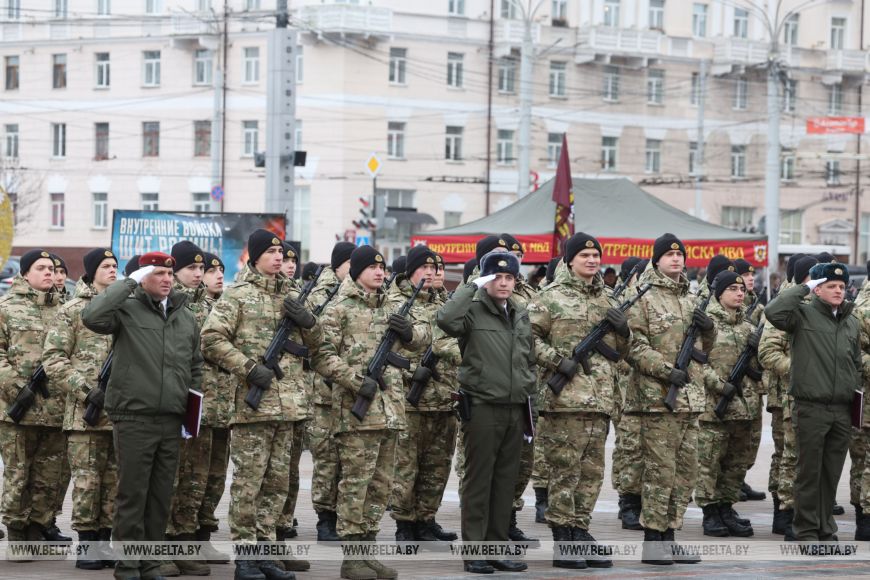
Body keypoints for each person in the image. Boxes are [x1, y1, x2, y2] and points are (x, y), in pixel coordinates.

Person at [201, 230, 319, 580]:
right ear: (254, 257)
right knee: (249, 484)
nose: (278, 257)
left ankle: (267, 552)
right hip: (253, 408)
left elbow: (319, 344)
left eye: (281, 251)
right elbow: (210, 339)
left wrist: (309, 322)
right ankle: (246, 557)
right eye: (270, 252)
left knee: (277, 484)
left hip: (290, 406)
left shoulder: (294, 295)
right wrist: (249, 368)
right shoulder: (237, 295)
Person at [81, 251, 203, 580]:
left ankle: (150, 564)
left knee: (161, 497)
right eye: (158, 273)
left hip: (170, 419)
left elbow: (195, 366)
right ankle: (128, 566)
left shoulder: (184, 316)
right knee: (133, 495)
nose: (166, 279)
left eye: (169, 273)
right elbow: (91, 317)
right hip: (134, 417)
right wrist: (129, 282)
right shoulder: (126, 309)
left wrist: (191, 411)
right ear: (141, 277)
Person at [313, 245, 430, 580]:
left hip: (390, 410)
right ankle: (352, 558)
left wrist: (409, 333)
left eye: (382, 268)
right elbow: (321, 355)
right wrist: (354, 381)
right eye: (372, 268)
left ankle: (368, 551)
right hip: (356, 414)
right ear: (357, 272)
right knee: (355, 484)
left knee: (381, 486)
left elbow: (423, 339)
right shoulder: (338, 309)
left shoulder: (393, 306)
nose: (380, 273)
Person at [528, 233, 628, 569]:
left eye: (596, 255)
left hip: (599, 401)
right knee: (565, 472)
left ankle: (580, 531)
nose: (592, 260)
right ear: (569, 260)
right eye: (585, 255)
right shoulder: (549, 297)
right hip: (564, 401)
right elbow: (527, 339)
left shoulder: (609, 299)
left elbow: (621, 353)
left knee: (591, 474)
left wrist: (625, 331)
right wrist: (558, 361)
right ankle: (563, 539)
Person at [437, 251, 535, 575]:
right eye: (496, 277)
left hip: (515, 408)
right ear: (485, 279)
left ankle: (496, 548)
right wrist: (472, 285)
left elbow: (527, 359)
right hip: (482, 407)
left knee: (505, 484)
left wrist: (529, 400)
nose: (503, 283)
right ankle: (475, 552)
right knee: (479, 482)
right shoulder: (472, 310)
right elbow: (445, 320)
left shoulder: (519, 312)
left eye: (509, 277)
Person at [626, 233, 715, 565]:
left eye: (680, 255)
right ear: (656, 260)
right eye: (669, 255)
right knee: (659, 473)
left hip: (690, 400)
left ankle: (670, 535)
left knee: (685, 473)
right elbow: (633, 346)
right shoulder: (643, 296)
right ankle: (653, 539)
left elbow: (705, 351)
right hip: (657, 400)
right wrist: (666, 371)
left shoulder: (690, 299)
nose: (676, 259)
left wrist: (710, 330)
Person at [765, 262, 861, 542]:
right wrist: (805, 286)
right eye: (831, 286)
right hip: (811, 407)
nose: (838, 291)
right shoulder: (802, 315)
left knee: (831, 473)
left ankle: (825, 527)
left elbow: (855, 363)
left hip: (842, 409)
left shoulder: (851, 321)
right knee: (808, 472)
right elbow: (773, 311)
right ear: (817, 289)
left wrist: (854, 398)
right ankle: (806, 529)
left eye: (842, 286)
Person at [43, 248, 119, 570]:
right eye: (106, 266)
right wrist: (87, 392)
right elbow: (53, 359)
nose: (112, 270)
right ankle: (87, 545)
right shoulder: (73, 310)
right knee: (88, 482)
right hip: (84, 416)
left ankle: (104, 542)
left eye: (115, 265)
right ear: (91, 272)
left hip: (120, 415)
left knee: (114, 483)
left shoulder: (125, 309)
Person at [389, 245, 457, 545]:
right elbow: (382, 352)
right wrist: (409, 373)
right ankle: (404, 523)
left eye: (435, 268)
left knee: (437, 466)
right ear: (410, 271)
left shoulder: (448, 304)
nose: (431, 272)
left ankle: (426, 519)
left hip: (444, 398)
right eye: (424, 267)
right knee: (406, 466)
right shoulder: (395, 303)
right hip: (410, 400)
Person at [0, 250, 65, 555]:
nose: (49, 272)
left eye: (51, 268)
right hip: (17, 410)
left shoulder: (65, 310)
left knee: (48, 477)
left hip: (54, 410)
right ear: (25, 273)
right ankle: (17, 536)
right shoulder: (6, 307)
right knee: (18, 474)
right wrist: (17, 388)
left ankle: (37, 531)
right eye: (41, 268)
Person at [695, 271, 760, 538]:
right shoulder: (706, 324)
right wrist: (719, 385)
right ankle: (710, 512)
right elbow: (696, 362)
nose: (739, 293)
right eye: (732, 289)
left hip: (744, 409)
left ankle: (726, 507)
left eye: (741, 289)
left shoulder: (748, 327)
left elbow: (758, 369)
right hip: (714, 407)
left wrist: (758, 350)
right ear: (719, 293)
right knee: (709, 462)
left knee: (736, 464)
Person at [758, 255, 817, 539]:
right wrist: (800, 370)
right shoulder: (786, 305)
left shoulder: (817, 304)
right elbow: (768, 352)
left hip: (814, 395)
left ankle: (798, 512)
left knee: (801, 456)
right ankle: (784, 512)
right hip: (787, 394)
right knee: (789, 455)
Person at [307, 241, 354, 543]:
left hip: (351, 390)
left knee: (350, 458)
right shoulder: (319, 296)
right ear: (338, 266)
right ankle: (325, 518)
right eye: (350, 263)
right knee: (326, 456)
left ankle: (345, 517)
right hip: (324, 391)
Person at [612, 256, 645, 530]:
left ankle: (640, 500)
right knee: (629, 447)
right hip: (624, 385)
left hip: (649, 386)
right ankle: (627, 502)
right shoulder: (621, 301)